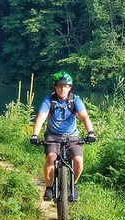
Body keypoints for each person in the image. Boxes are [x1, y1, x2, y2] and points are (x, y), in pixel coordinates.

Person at [30, 71, 96, 201]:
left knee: (78, 160)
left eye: (66, 86)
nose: (63, 89)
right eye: (60, 86)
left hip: (72, 137)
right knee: (51, 157)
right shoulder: (49, 100)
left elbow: (84, 117)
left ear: (70, 87)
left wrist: (91, 132)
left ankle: (74, 185)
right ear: (55, 87)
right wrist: (35, 134)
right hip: (53, 136)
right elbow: (41, 118)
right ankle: (49, 187)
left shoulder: (75, 100)